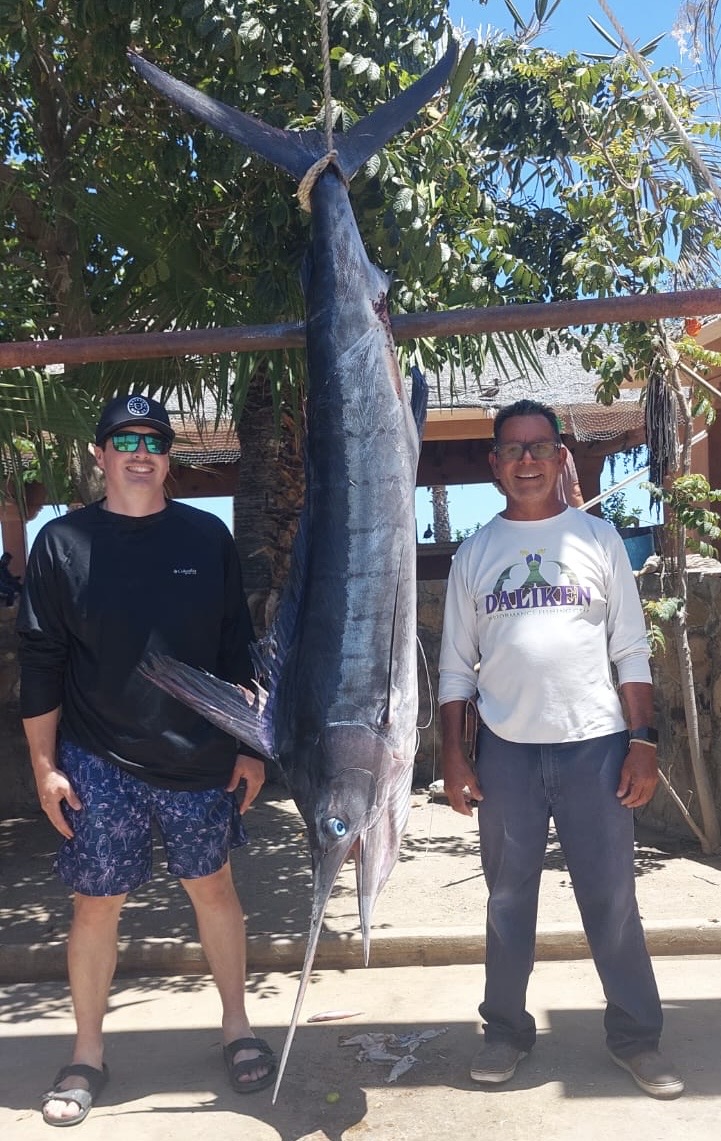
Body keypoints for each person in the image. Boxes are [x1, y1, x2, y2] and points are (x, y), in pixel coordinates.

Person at [17, 394, 275, 1127]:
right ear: (99, 453)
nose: (140, 451)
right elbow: (40, 658)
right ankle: (88, 1052)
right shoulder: (61, 543)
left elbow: (236, 650)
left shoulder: (205, 536)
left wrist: (250, 745)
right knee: (96, 906)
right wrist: (44, 765)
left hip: (198, 754)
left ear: (167, 457)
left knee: (214, 890)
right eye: (124, 439)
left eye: (154, 441)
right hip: (96, 756)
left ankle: (235, 1025)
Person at [439, 398, 683, 1101]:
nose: (525, 461)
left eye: (537, 447)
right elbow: (456, 666)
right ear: (493, 464)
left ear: (557, 457)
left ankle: (636, 1038)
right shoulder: (475, 553)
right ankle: (504, 1031)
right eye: (511, 449)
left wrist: (642, 740)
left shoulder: (597, 539)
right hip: (506, 751)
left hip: (595, 749)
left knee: (610, 900)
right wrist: (454, 757)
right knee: (507, 899)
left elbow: (630, 649)